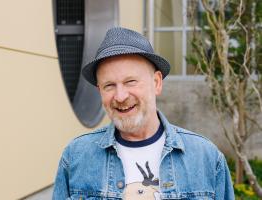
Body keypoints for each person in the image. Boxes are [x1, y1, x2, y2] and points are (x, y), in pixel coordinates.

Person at [52, 27, 234, 200]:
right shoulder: (76, 156)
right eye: (109, 85)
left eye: (130, 81)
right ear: (100, 90)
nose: (121, 96)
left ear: (156, 83)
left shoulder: (206, 158)